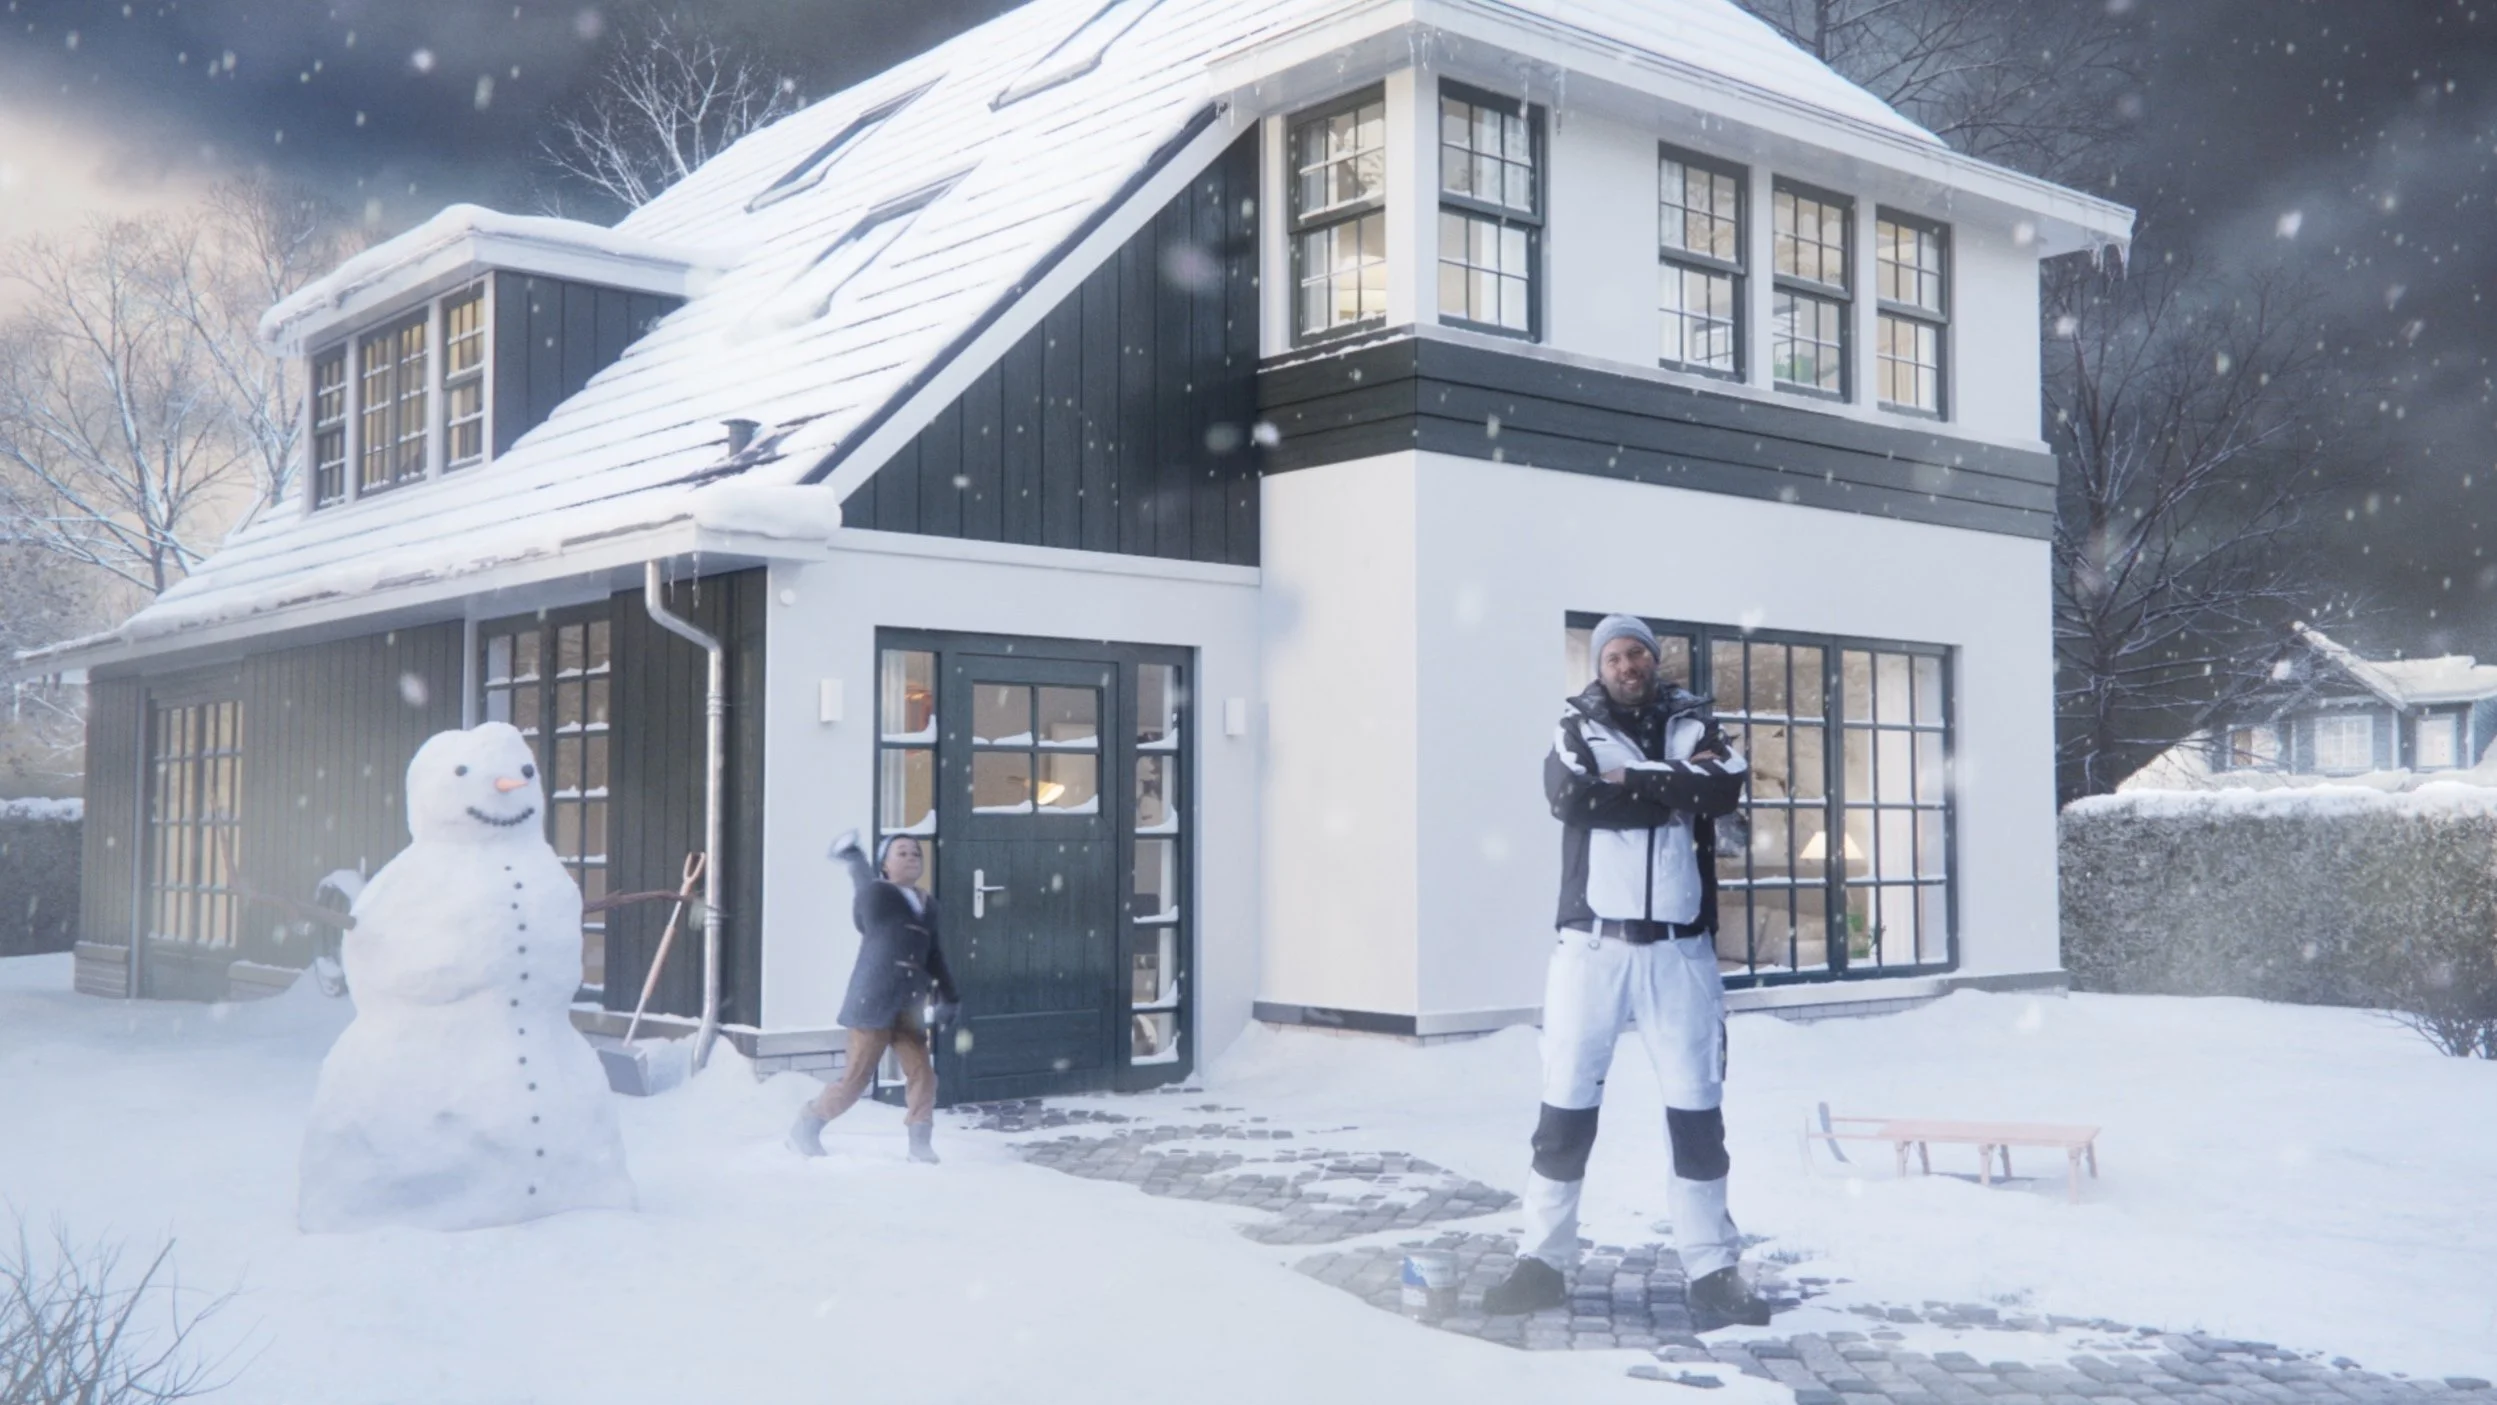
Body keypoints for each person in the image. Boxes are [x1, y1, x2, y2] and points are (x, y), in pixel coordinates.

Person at [1480, 613, 1774, 1326]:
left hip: (1680, 951)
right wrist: (1671, 791)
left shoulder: (1697, 724)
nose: (1626, 665)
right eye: (1613, 655)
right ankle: (1542, 1261)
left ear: (1653, 659)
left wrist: (1634, 779)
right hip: (1592, 949)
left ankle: (1711, 1268)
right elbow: (1573, 799)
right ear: (1599, 665)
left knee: (1697, 1110)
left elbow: (1723, 790)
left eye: (1636, 653)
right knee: (1565, 1106)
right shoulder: (1575, 728)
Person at [788, 832, 959, 1164]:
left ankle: (920, 1144)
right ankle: (807, 1125)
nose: (911, 858)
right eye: (901, 853)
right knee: (855, 1081)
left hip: (909, 1006)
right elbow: (865, 893)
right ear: (885, 865)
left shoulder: (928, 905)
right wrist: (855, 860)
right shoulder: (878, 896)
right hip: (873, 1002)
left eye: (916, 853)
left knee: (923, 1075)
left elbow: (935, 955)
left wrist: (949, 997)